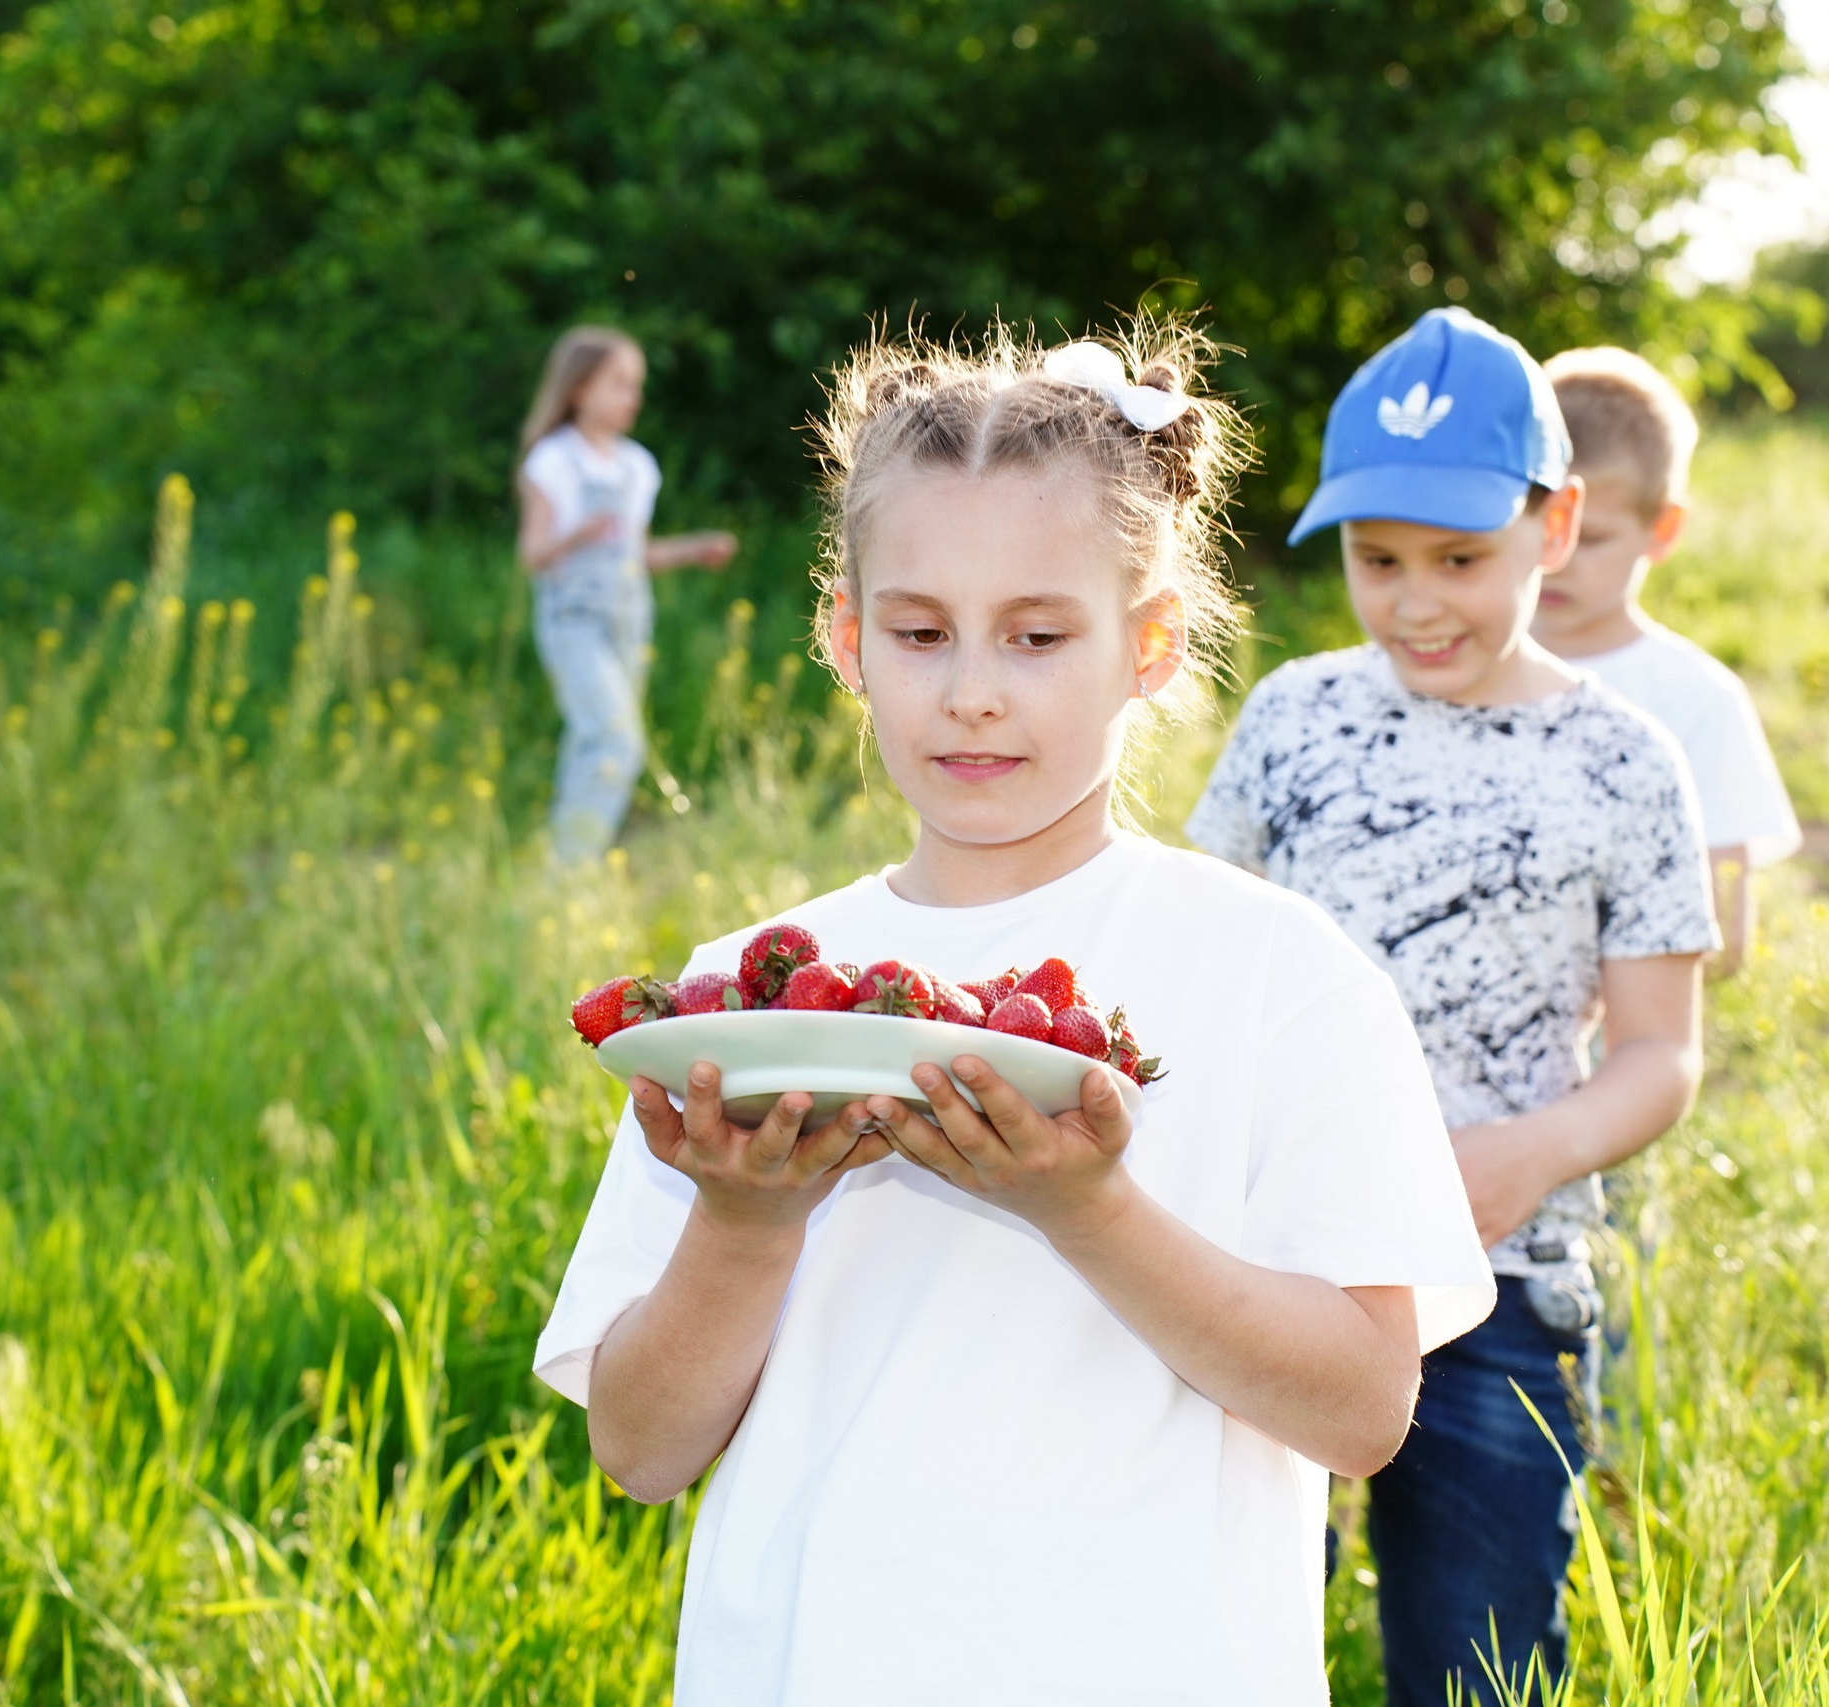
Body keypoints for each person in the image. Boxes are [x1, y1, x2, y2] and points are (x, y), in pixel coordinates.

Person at [532, 323, 1496, 1706]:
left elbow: (1361, 1408)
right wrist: (745, 1222)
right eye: (920, 632)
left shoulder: (1281, 974)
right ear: (848, 642)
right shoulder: (750, 995)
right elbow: (637, 1446)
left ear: (1150, 643)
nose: (972, 687)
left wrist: (1090, 1207)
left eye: (1038, 635)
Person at [1185, 309, 1717, 1707]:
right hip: (1270, 1254)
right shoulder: (1294, 720)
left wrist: (1528, 1152)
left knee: (1476, 1652)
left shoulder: (1626, 758)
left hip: (1503, 1272)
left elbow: (1664, 1053)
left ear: (1560, 525)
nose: (1418, 602)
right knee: (1223, 1630)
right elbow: (1195, 964)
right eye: (1379, 561)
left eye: (1461, 560)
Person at [1531, 347, 1800, 975]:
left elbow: (1725, 935)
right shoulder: (1453, 664)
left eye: (1590, 537)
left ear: (1663, 528)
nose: (1559, 556)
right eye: (1542, 525)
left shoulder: (1697, 697)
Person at [516, 326, 738, 860]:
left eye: (634, 385)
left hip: (628, 619)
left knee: (592, 739)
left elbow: (637, 554)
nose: (631, 397)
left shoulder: (638, 467)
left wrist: (694, 549)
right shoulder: (552, 461)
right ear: (578, 389)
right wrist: (577, 534)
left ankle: (567, 861)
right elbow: (532, 554)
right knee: (614, 742)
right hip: (575, 621)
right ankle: (571, 869)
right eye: (617, 383)